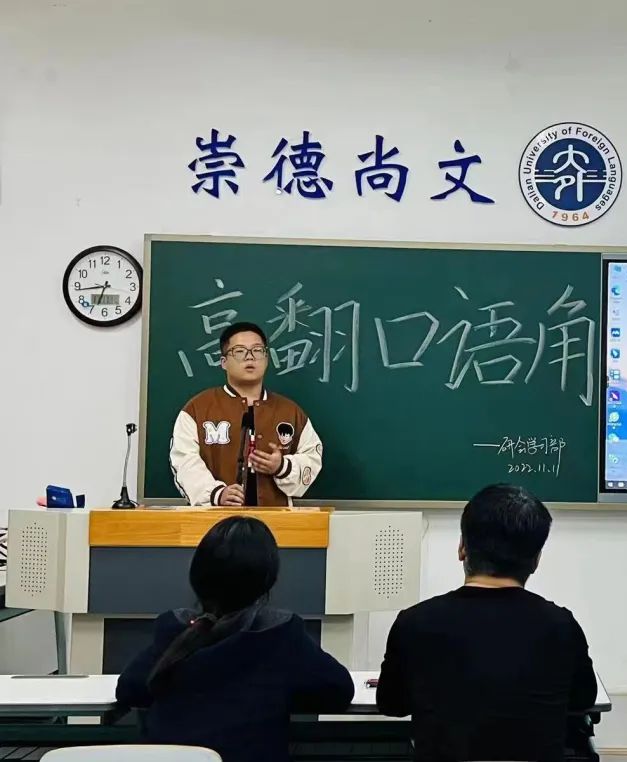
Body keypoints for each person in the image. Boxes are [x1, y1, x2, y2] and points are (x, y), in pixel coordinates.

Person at [377, 484, 597, 762]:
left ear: (462, 548)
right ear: (536, 560)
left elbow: (392, 704)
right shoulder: (561, 626)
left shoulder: (414, 622)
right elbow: (582, 700)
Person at [116, 516, 354, 762]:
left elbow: (130, 690)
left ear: (197, 575)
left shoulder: (175, 628)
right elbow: (338, 691)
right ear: (267, 579)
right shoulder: (279, 633)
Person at [169, 321, 323, 507]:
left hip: (276, 519)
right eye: (240, 351)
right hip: (215, 519)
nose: (250, 357)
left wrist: (282, 466)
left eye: (257, 350)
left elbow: (312, 458)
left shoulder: (290, 412)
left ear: (266, 358)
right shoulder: (197, 409)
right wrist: (216, 494)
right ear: (223, 362)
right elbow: (184, 461)